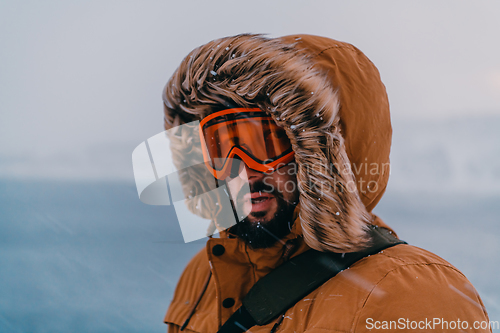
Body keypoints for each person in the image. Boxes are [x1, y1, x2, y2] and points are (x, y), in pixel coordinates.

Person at [161, 34, 491, 332]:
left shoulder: (413, 297)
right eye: (219, 148)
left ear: (324, 157)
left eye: (264, 144)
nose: (242, 172)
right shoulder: (206, 274)